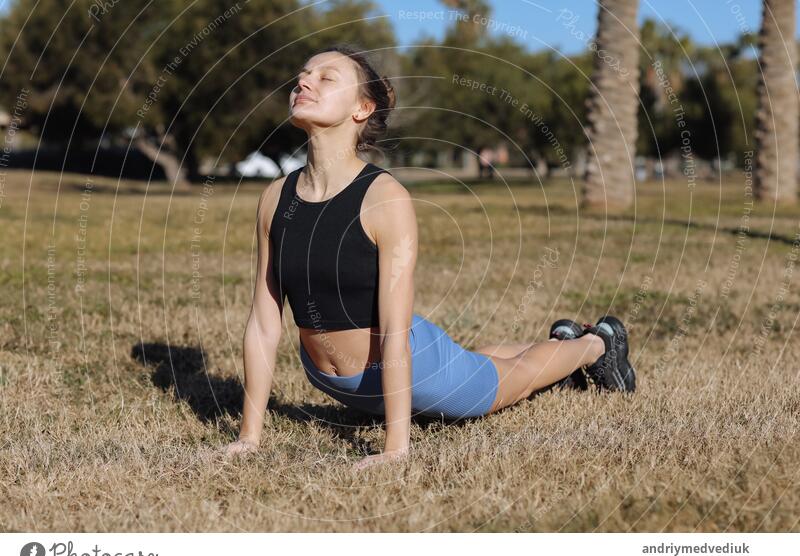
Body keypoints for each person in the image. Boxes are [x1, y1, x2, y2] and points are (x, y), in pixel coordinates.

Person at [222, 44, 636, 468]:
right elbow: (263, 323)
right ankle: (560, 340)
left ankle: (593, 344)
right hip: (332, 378)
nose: (304, 82)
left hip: (411, 368)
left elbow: (395, 331)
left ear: (362, 109)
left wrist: (396, 447)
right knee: (474, 362)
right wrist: (248, 438)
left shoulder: (383, 198)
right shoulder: (275, 198)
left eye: (326, 78)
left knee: (511, 381)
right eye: (303, 75)